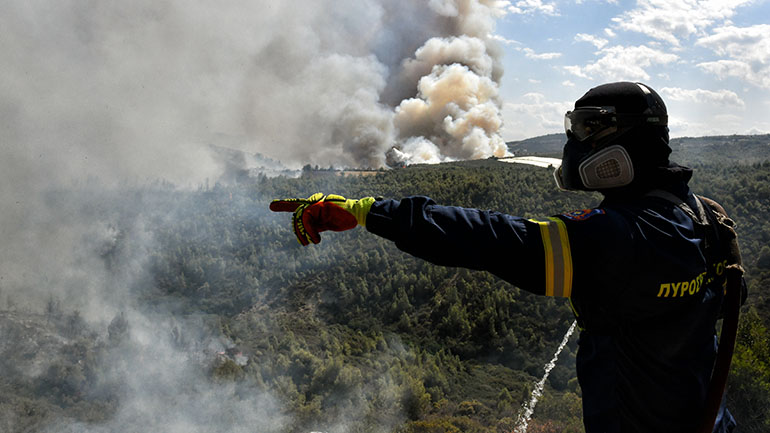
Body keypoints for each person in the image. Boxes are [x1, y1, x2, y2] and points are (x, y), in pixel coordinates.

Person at [270, 82, 743, 433]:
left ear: (624, 144)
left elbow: (488, 238)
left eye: (585, 128)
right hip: (709, 419)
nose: (574, 142)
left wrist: (366, 210)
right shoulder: (699, 215)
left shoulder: (623, 237)